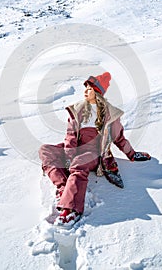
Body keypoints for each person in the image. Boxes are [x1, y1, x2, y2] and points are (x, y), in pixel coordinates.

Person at [39, 72, 151, 227]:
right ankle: (64, 189)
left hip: (94, 153)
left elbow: (119, 139)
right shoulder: (77, 109)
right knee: (46, 150)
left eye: (90, 88)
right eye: (85, 87)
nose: (85, 90)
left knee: (78, 162)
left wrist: (132, 154)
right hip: (75, 149)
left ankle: (71, 210)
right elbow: (70, 136)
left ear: (98, 92)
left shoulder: (110, 115)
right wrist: (68, 155)